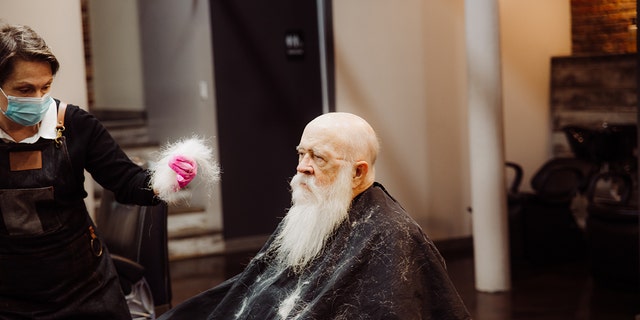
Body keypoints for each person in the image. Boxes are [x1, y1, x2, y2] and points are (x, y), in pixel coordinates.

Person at [160, 112, 471, 319]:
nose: (302, 167)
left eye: (318, 158)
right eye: (301, 153)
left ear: (357, 172)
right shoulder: (315, 209)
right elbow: (258, 282)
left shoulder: (392, 235)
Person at [0, 23, 201, 319]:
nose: (38, 99)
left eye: (45, 87)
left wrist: (164, 180)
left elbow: (127, 181)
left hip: (85, 290)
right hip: (12, 300)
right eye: (25, 90)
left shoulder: (75, 125)